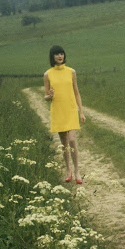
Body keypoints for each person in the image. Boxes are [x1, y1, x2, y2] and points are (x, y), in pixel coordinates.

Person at [44, 45, 86, 184]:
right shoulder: (47, 74)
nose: (60, 56)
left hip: (71, 109)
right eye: (57, 54)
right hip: (58, 110)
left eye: (62, 54)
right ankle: (68, 170)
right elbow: (46, 96)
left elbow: (77, 92)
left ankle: (77, 171)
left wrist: (81, 111)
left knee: (72, 139)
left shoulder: (71, 72)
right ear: (52, 57)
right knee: (64, 143)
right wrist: (49, 96)